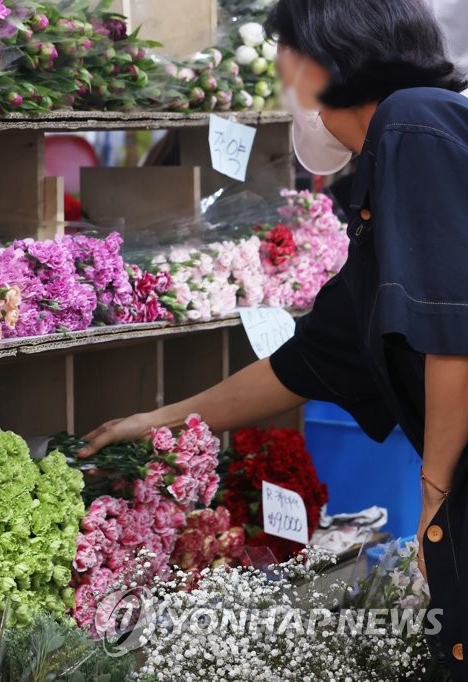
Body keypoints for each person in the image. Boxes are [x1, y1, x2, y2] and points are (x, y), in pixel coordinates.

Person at [80, 0, 468, 677]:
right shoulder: (386, 175)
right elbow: (310, 360)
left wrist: (436, 494)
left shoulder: (415, 120)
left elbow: (452, 332)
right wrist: (158, 420)